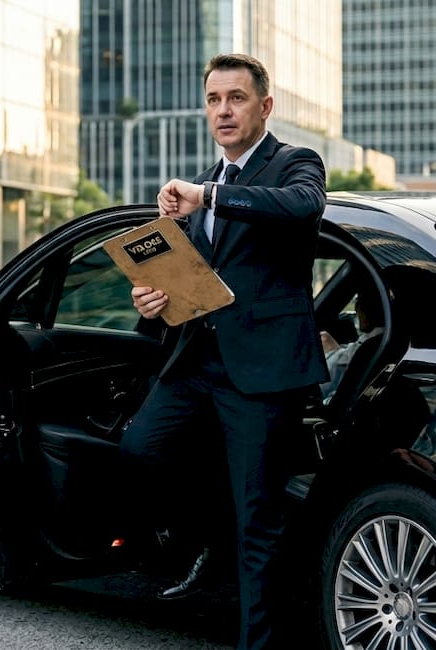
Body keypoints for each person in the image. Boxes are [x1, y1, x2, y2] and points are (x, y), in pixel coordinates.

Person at [121, 53, 328, 650]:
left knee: (258, 525)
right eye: (213, 100)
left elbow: (300, 207)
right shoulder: (204, 186)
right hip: (196, 363)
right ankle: (212, 536)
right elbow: (194, 278)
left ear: (264, 106)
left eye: (235, 98)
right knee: (139, 450)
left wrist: (206, 196)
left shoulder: (295, 165)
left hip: (262, 374)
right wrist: (154, 298)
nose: (223, 110)